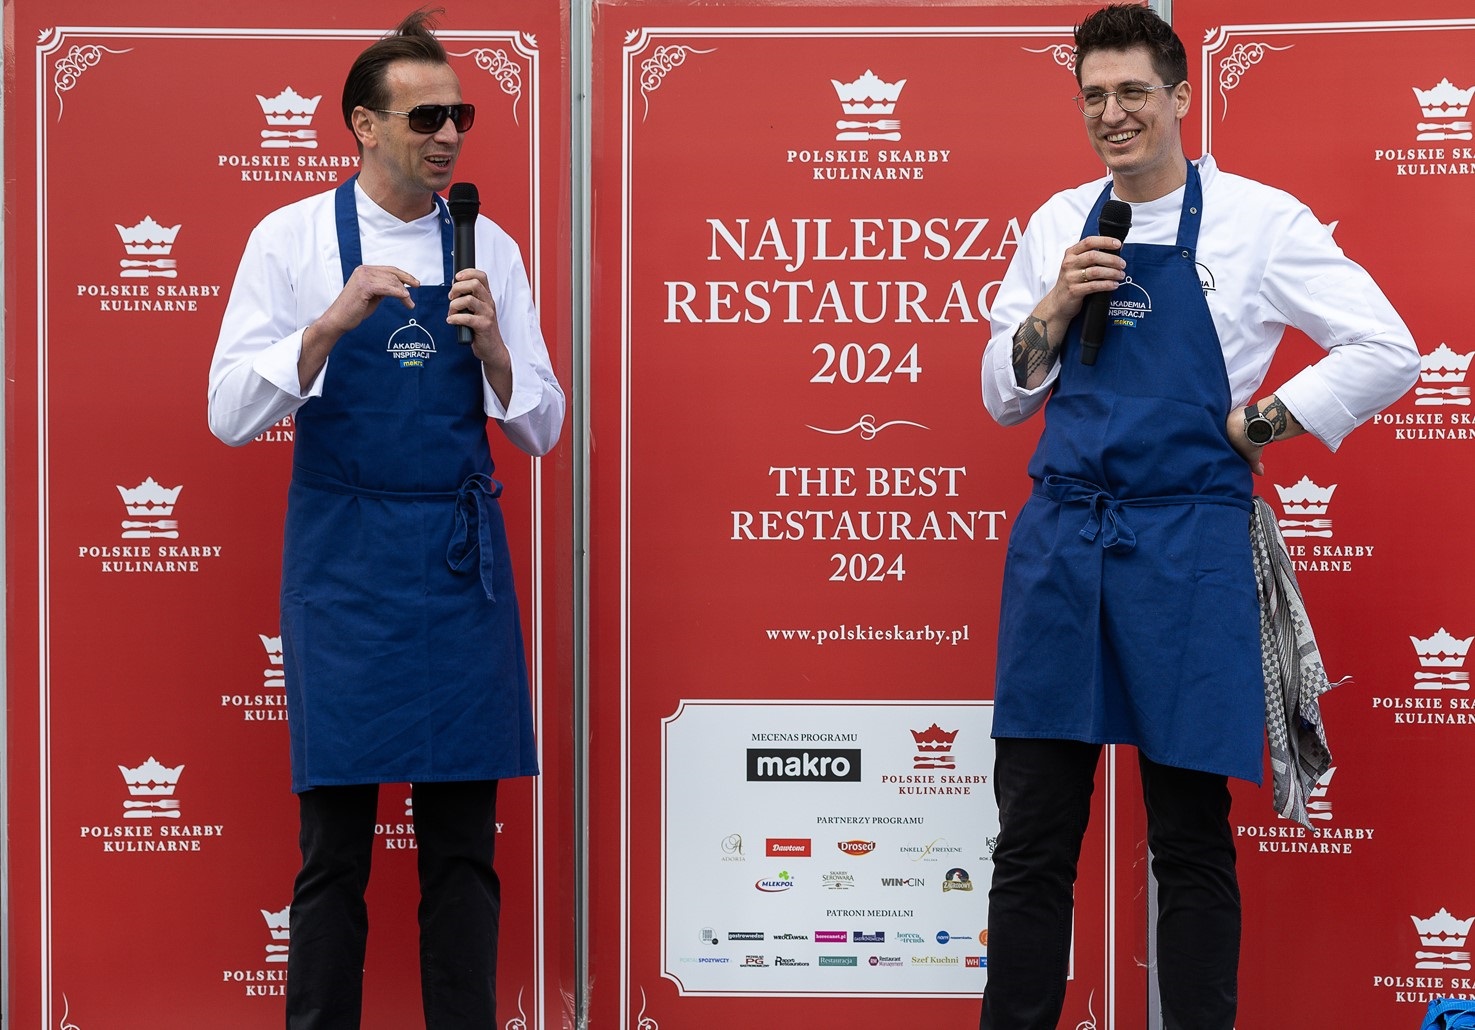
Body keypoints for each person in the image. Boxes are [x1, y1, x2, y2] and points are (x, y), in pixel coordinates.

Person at [978, 5, 1416, 1028]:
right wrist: (1051, 307)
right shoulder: (1057, 222)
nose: (1112, 113)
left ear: (1179, 96)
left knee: (1187, 836)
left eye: (1133, 91)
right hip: (1063, 544)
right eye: (1093, 95)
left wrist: (1260, 420)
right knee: (1032, 835)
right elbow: (1003, 396)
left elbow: (1385, 347)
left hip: (1187, 546)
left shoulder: (1261, 222)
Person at [207, 9, 564, 1028]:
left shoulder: (489, 247)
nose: (448, 135)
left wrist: (495, 350)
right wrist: (329, 323)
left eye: (460, 116)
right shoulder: (289, 239)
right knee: (333, 853)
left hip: (455, 564)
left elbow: (542, 428)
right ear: (363, 125)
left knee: (462, 849)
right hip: (347, 562)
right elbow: (227, 413)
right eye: (426, 117)